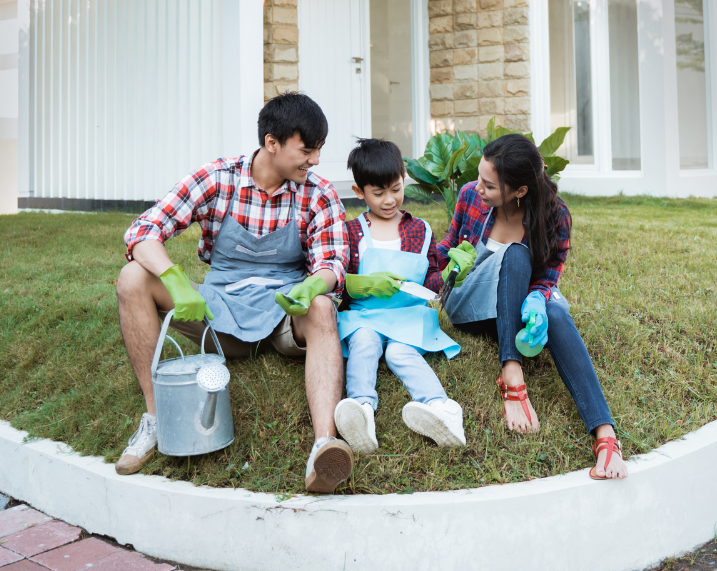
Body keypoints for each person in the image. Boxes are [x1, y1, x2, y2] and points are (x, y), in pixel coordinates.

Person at [113, 92, 355, 493]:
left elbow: (332, 262)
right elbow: (142, 232)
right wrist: (174, 279)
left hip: (282, 314)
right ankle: (157, 420)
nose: (314, 161)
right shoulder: (217, 178)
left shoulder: (319, 193)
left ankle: (323, 447)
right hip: (217, 314)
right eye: (307, 150)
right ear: (271, 143)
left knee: (322, 307)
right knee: (132, 277)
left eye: (318, 151)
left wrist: (314, 285)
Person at [437, 132, 628, 480]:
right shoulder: (469, 196)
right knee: (515, 252)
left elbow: (548, 277)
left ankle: (606, 437)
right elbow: (445, 251)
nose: (478, 187)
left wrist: (538, 298)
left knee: (554, 309)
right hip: (469, 304)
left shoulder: (556, 215)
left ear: (519, 190)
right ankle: (511, 372)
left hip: (517, 309)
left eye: (490, 185)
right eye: (480, 178)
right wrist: (445, 265)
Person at [332, 138, 477, 453]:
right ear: (359, 192)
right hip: (365, 316)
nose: (389, 200)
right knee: (365, 342)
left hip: (409, 316)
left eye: (395, 189)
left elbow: (431, 282)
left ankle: (444, 410)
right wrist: (363, 284)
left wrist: (454, 272)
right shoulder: (351, 233)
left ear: (403, 181)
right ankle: (361, 411)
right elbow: (338, 283)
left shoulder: (420, 231)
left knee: (400, 353)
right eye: (378, 192)